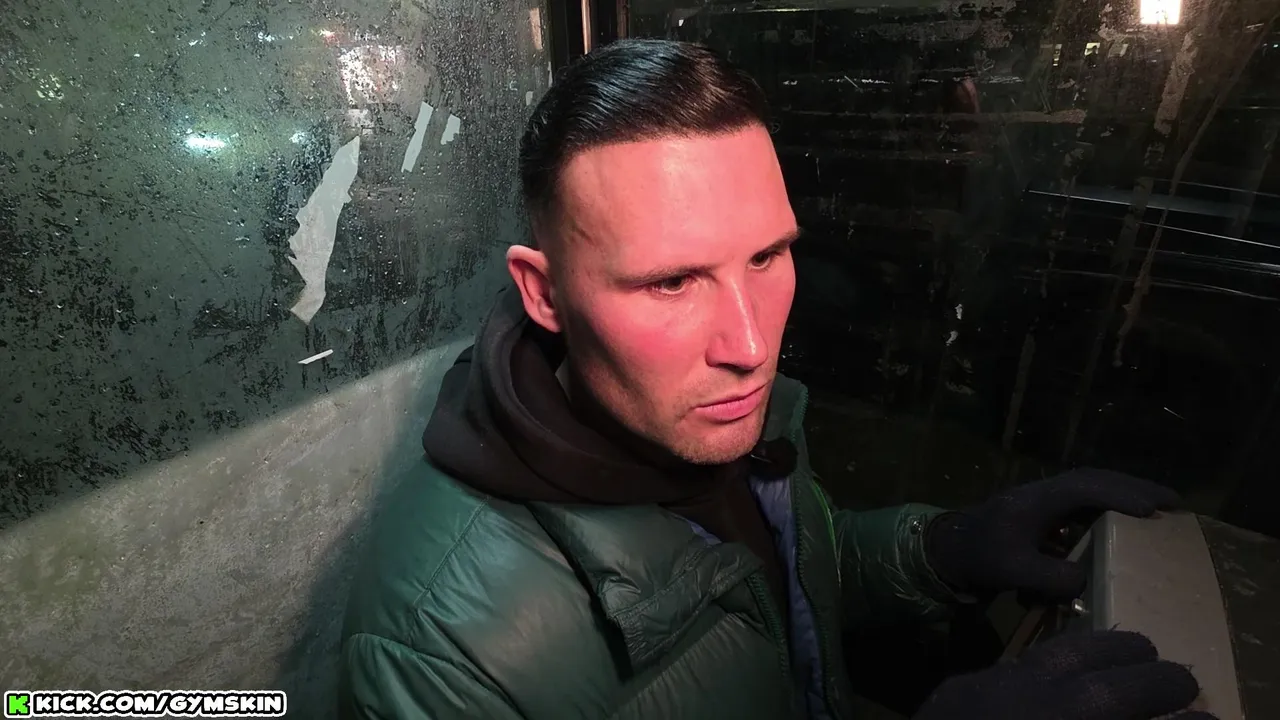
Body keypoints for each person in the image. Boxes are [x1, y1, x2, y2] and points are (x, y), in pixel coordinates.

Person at [336, 39, 1215, 720]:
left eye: (766, 256)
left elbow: (764, 586)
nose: (752, 345)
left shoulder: (692, 422)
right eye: (671, 282)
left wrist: (942, 549)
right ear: (545, 294)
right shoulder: (441, 654)